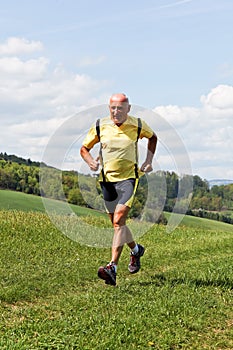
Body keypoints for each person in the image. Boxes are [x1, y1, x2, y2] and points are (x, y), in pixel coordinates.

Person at [80, 93, 157, 286]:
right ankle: (136, 249)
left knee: (119, 220)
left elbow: (153, 137)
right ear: (109, 108)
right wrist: (91, 162)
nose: (116, 112)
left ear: (128, 109)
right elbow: (84, 148)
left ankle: (112, 267)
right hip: (107, 180)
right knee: (117, 226)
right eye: (113, 108)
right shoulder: (100, 126)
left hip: (129, 179)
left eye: (120, 108)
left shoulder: (138, 124)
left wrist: (148, 161)